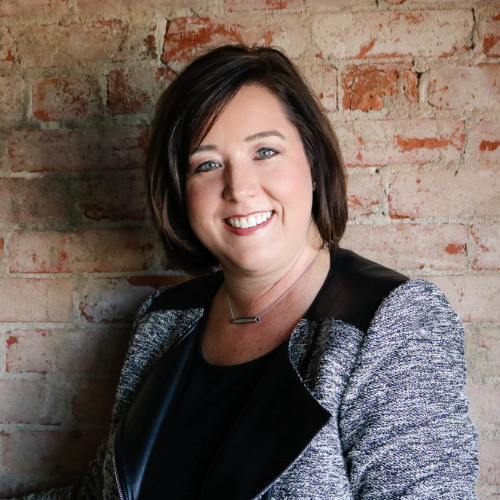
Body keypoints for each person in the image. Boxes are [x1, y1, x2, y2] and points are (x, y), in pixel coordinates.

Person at [18, 44, 478, 499]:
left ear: (312, 162)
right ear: (182, 190)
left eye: (264, 152)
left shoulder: (392, 321)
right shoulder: (164, 320)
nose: (238, 189)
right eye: (208, 164)